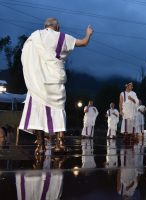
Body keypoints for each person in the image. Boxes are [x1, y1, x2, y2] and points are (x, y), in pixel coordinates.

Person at [18, 18, 93, 155]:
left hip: (37, 81)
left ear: (45, 26)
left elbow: (24, 56)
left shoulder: (34, 37)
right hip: (54, 80)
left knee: (37, 113)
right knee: (58, 109)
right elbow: (83, 42)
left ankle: (40, 146)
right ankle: (59, 144)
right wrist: (88, 33)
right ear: (57, 27)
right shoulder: (61, 37)